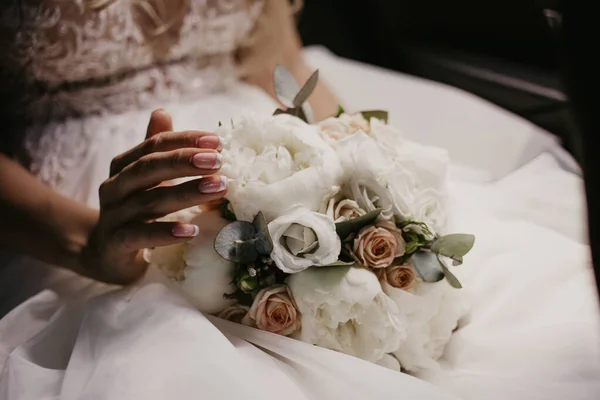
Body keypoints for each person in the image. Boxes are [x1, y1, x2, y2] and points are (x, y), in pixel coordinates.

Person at [0, 1, 598, 399]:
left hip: (272, 132)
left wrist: (360, 172)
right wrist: (84, 242)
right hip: (77, 198)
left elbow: (278, 58)